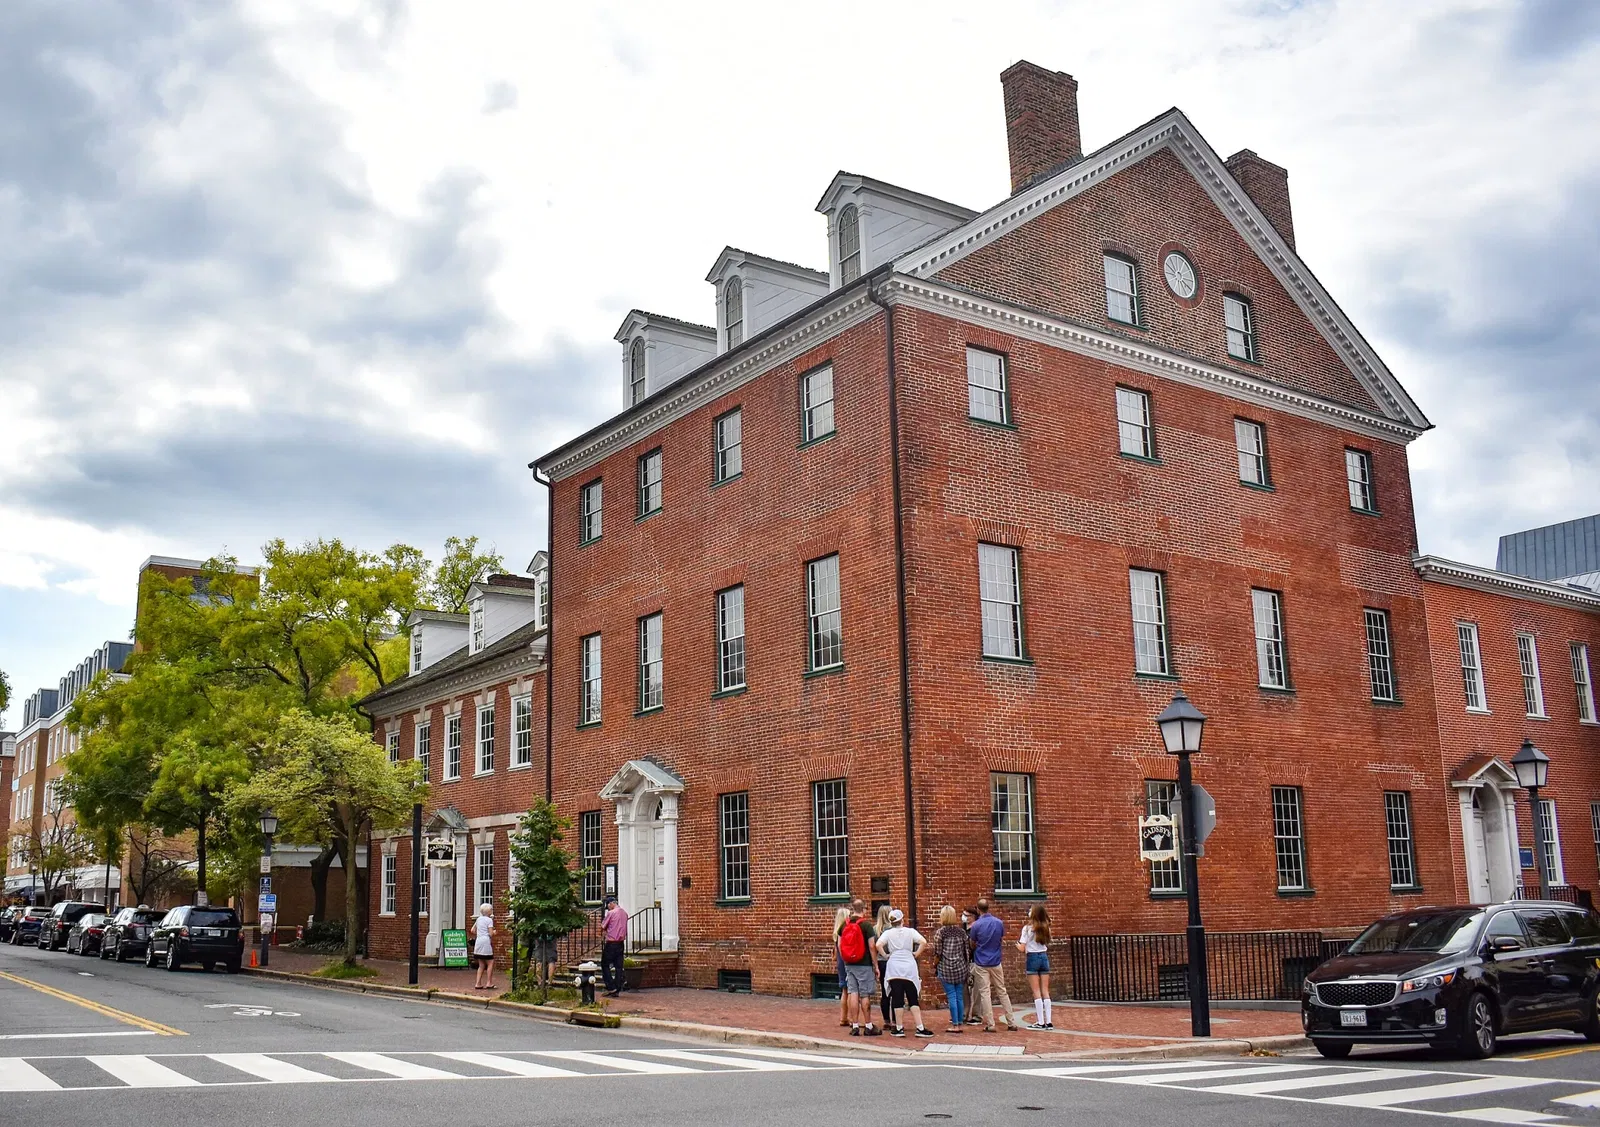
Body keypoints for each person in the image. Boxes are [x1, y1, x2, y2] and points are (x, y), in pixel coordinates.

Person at [877, 909, 934, 1038]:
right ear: (902, 920)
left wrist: (885, 955)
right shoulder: (910, 932)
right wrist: (915, 954)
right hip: (909, 966)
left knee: (897, 998)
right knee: (913, 997)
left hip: (894, 967)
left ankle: (898, 1027)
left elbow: (878, 944)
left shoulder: (888, 933)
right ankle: (919, 1027)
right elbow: (923, 942)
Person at [968, 898, 1019, 1031]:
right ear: (988, 907)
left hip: (981, 961)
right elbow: (1000, 938)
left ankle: (991, 1024)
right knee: (1002, 991)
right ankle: (1011, 1021)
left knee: (985, 993)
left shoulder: (976, 925)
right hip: (996, 961)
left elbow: (972, 943)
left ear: (978, 910)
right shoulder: (999, 923)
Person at [837, 899, 881, 1036]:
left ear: (853, 909)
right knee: (865, 994)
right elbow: (872, 946)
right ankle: (868, 1025)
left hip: (849, 964)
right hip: (864, 964)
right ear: (864, 909)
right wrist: (876, 965)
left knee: (853, 993)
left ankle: (855, 1026)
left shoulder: (844, 925)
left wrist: (846, 959)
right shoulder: (867, 926)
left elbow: (839, 945)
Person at [932, 905, 971, 1033]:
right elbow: (966, 951)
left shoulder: (941, 933)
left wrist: (934, 964)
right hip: (960, 967)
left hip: (946, 968)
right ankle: (960, 1022)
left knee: (951, 996)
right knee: (959, 995)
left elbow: (938, 953)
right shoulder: (961, 932)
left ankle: (955, 1025)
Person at [1018, 903, 1052, 1030]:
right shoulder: (1046, 927)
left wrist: (1017, 945)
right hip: (1043, 956)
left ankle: (1040, 1021)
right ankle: (1049, 1021)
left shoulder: (1027, 929)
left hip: (1032, 957)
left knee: (1036, 991)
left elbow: (1022, 947)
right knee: (1045, 991)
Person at [600, 895, 628, 997]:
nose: (608, 907)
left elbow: (603, 926)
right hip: (620, 942)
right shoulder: (624, 913)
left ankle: (611, 986)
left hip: (611, 942)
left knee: (604, 964)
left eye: (608, 905)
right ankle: (617, 988)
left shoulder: (611, 913)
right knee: (618, 966)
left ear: (611, 903)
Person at [873, 904, 894, 1029]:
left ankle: (886, 1020)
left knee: (885, 993)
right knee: (896, 991)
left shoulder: (876, 929)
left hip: (881, 963)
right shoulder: (893, 930)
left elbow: (873, 949)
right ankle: (896, 1020)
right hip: (892, 961)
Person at [962, 907, 983, 1025]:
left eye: (967, 915)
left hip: (975, 960)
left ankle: (976, 1015)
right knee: (964, 989)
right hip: (965, 961)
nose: (964, 917)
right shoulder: (963, 929)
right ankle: (964, 1013)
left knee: (976, 989)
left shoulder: (976, 928)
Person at [832, 906, 852, 1026]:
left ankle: (843, 1018)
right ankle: (851, 1018)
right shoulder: (846, 931)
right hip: (847, 961)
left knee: (844, 990)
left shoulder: (836, 933)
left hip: (840, 962)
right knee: (851, 990)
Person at [472, 902, 496, 990]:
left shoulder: (478, 919)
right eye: (491, 909)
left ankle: (478, 983)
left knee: (481, 964)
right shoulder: (489, 920)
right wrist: (494, 932)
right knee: (490, 962)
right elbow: (491, 933)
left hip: (478, 941)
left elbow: (472, 930)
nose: (492, 910)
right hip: (485, 942)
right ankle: (489, 982)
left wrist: (480, 933)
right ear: (488, 911)